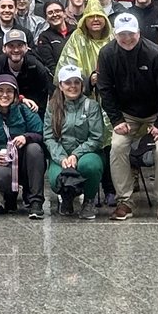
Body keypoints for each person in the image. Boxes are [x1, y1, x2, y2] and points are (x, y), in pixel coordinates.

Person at [96, 11, 158, 221]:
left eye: (131, 33)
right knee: (118, 147)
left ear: (139, 33)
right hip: (126, 115)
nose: (127, 38)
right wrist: (116, 120)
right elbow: (105, 90)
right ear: (115, 34)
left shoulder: (155, 54)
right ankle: (124, 202)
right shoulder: (106, 54)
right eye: (122, 34)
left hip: (156, 113)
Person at [0, 71, 48, 216]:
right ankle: (9, 196)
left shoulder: (24, 109)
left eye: (9, 91)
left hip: (25, 161)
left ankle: (35, 201)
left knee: (34, 149)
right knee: (0, 174)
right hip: (5, 161)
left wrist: (26, 137)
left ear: (15, 94)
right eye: (0, 91)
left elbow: (41, 133)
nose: (5, 95)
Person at [47, 63, 108, 218]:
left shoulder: (92, 106)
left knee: (90, 166)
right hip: (61, 155)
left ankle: (88, 201)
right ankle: (66, 198)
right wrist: (62, 158)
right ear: (60, 85)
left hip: (87, 154)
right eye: (68, 83)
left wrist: (76, 154)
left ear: (82, 84)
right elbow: (49, 136)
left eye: (76, 82)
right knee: (55, 179)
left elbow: (96, 137)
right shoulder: (52, 107)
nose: (72, 86)